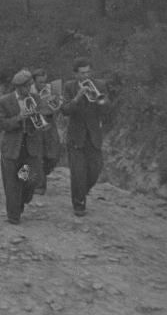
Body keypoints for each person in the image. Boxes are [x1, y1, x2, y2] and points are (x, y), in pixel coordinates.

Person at [60, 57, 112, 217]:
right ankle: (79, 204)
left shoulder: (100, 85)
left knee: (95, 171)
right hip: (76, 136)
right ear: (76, 74)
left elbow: (107, 109)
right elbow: (65, 110)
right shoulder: (69, 87)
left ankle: (82, 192)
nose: (86, 76)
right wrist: (77, 97)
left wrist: (100, 102)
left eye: (88, 72)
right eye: (82, 73)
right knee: (78, 173)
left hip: (94, 136)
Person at [0, 70, 45, 225]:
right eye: (25, 87)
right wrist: (19, 117)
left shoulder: (35, 98)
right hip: (12, 146)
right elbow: (1, 123)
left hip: (29, 146)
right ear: (17, 87)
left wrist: (39, 117)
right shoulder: (5, 101)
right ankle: (13, 216)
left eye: (30, 86)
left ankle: (21, 201)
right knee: (11, 183)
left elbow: (42, 122)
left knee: (30, 179)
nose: (28, 90)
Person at [31, 68, 62, 195]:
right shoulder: (28, 90)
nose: (43, 84)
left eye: (45, 81)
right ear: (34, 82)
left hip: (50, 121)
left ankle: (42, 173)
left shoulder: (51, 89)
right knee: (38, 153)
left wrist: (55, 100)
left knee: (53, 155)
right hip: (35, 121)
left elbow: (59, 107)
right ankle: (40, 185)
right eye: (40, 82)